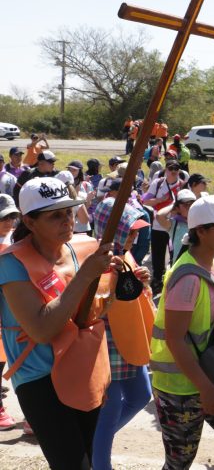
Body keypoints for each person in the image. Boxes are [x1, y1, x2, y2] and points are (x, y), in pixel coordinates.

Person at [0, 177, 121, 468]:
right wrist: (86, 275)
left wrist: (118, 286)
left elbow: (90, 313)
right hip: (40, 379)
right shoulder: (10, 263)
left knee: (87, 460)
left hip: (82, 367)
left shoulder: (79, 249)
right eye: (55, 215)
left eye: (68, 211)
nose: (67, 220)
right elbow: (42, 329)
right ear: (30, 222)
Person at [148, 196, 214, 469]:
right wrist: (206, 389)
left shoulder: (213, 264)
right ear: (201, 231)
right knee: (180, 462)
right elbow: (175, 339)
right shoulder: (188, 278)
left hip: (211, 375)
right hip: (180, 389)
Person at [92, 207, 153, 470]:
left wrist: (143, 281)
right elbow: (93, 303)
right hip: (107, 344)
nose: (134, 237)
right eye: (129, 231)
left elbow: (136, 293)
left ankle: (95, 442)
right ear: (113, 230)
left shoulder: (125, 256)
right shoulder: (96, 259)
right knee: (110, 410)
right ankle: (99, 458)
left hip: (130, 338)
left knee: (141, 395)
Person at [144, 161, 185, 294]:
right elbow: (146, 201)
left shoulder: (183, 185)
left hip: (175, 225)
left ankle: (174, 281)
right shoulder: (158, 183)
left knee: (176, 254)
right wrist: (160, 200)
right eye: (170, 168)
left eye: (176, 168)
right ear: (165, 170)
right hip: (158, 225)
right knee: (158, 256)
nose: (173, 171)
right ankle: (157, 281)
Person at [0, 194, 20, 430]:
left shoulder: (16, 239)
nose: (9, 222)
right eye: (4, 217)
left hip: (14, 314)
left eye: (13, 216)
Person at [155, 189, 197, 263]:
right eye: (186, 205)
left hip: (197, 264)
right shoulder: (174, 224)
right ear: (177, 208)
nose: (190, 207)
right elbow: (159, 216)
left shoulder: (199, 222)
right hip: (179, 265)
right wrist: (173, 204)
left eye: (192, 203)